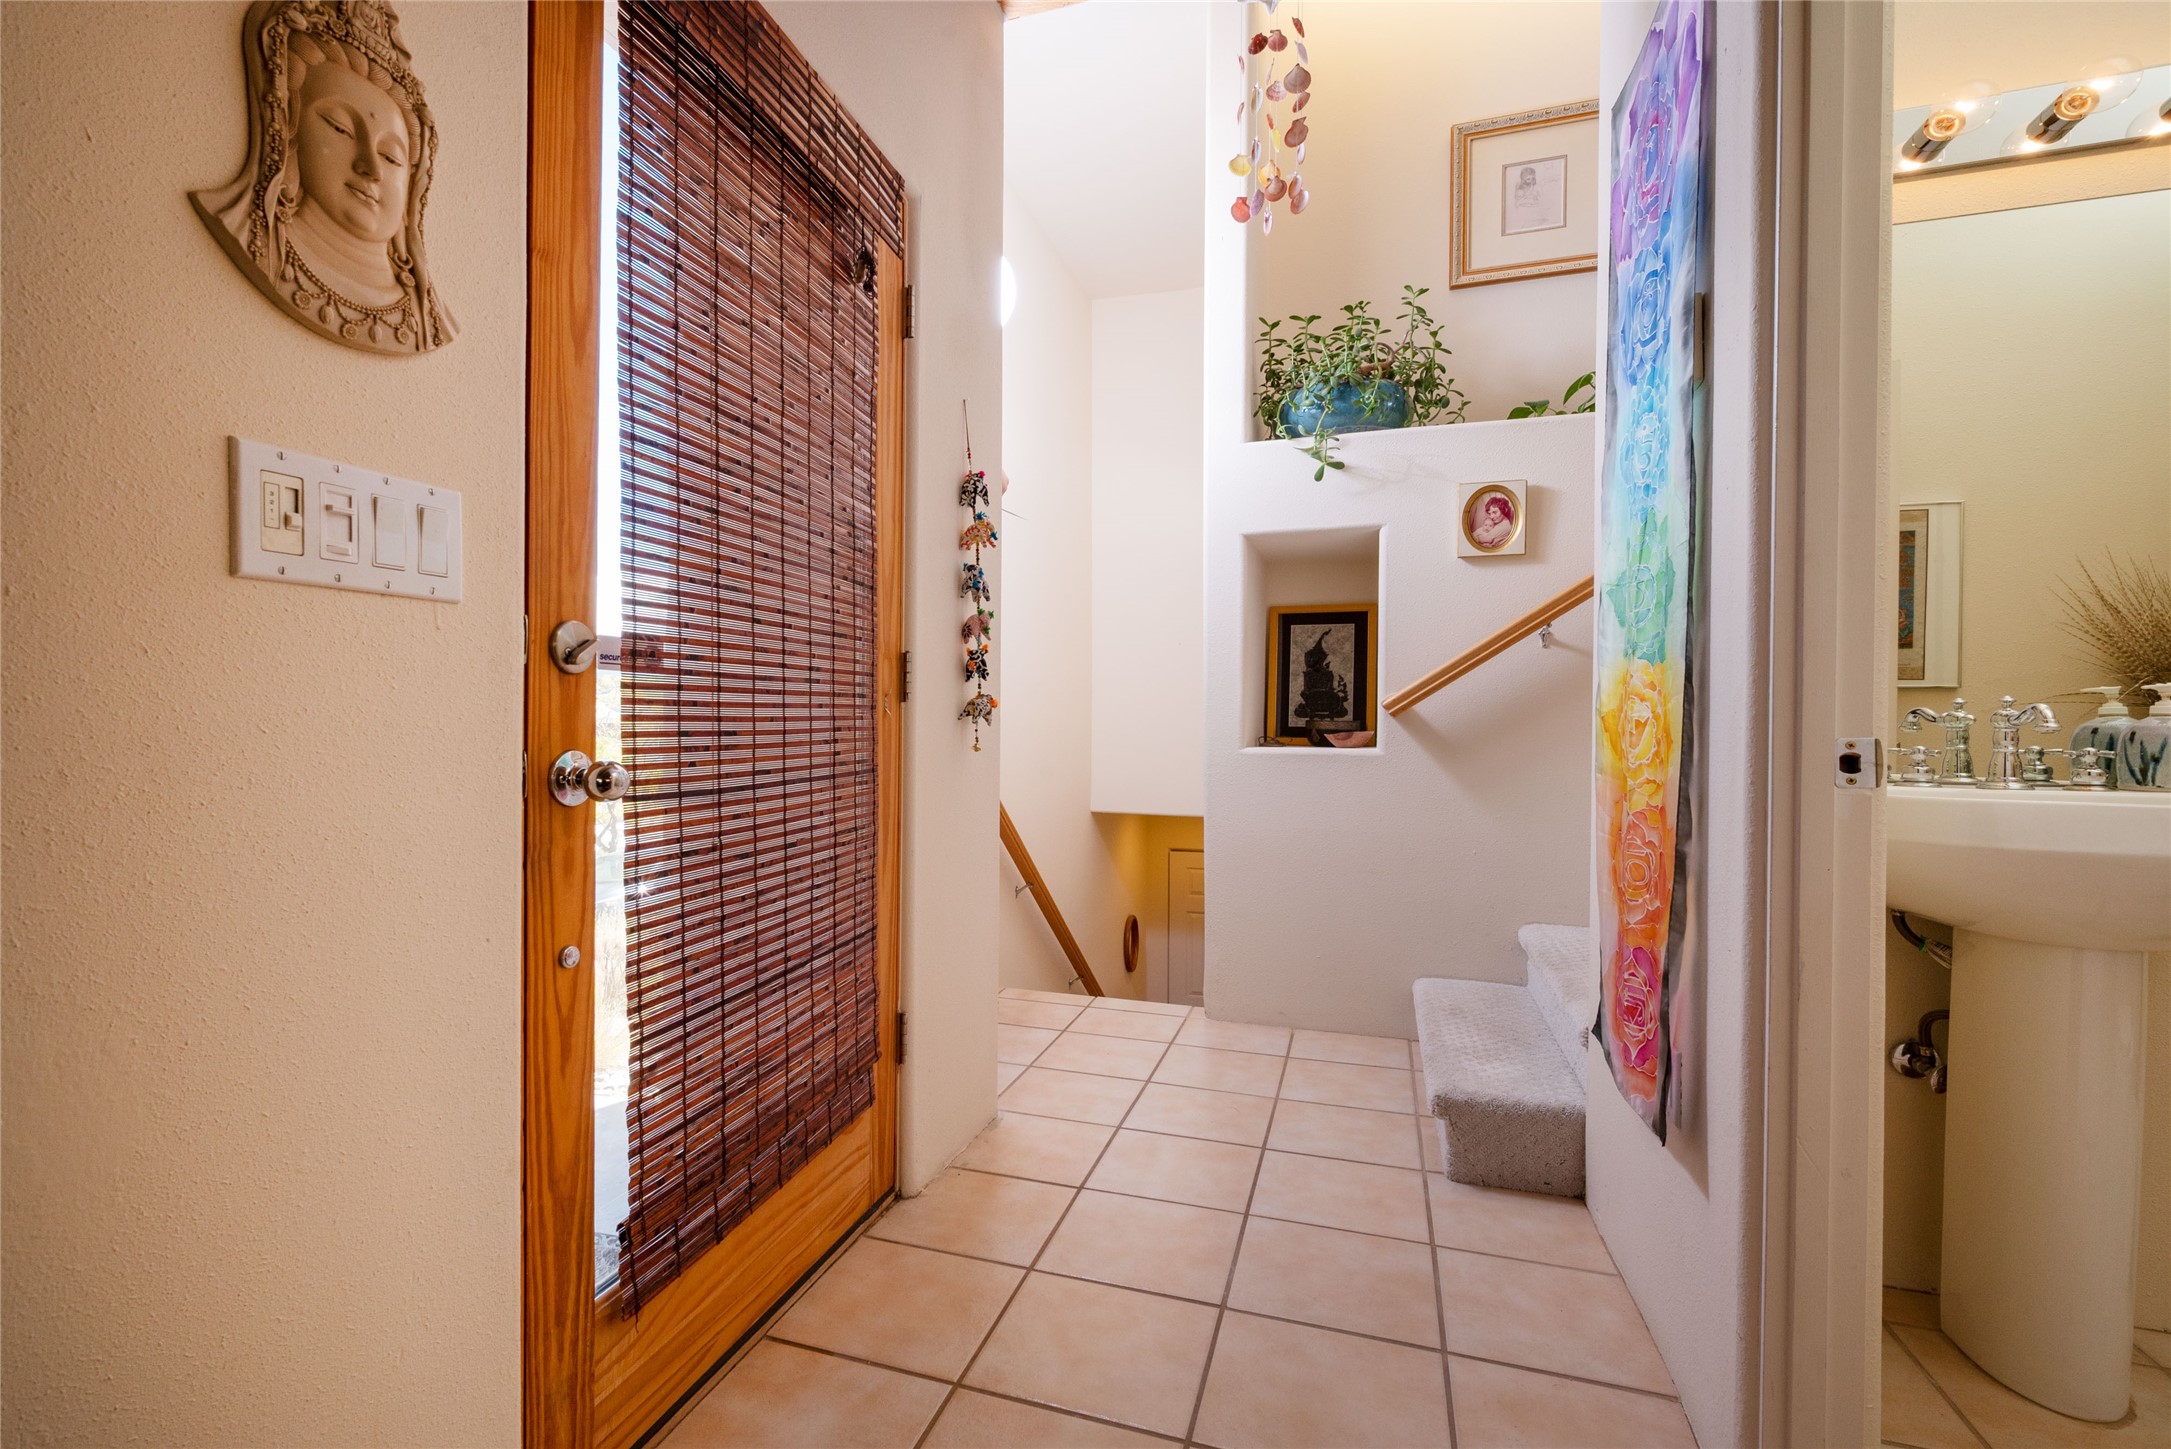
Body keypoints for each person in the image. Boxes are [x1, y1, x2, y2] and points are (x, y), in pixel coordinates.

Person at [193, 1, 456, 354]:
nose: (371, 168)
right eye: (340, 128)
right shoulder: (257, 245)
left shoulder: (427, 324)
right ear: (290, 133)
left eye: (391, 157)